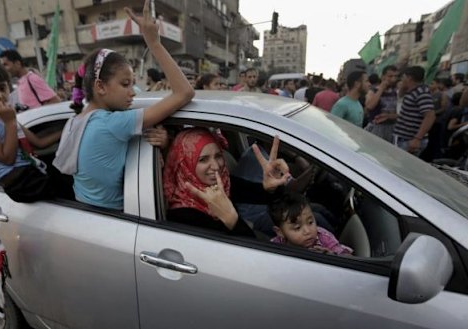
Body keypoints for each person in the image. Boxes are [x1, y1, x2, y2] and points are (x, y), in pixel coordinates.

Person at [58, 0, 195, 211]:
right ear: (100, 86)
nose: (132, 92)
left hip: (86, 214)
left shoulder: (78, 120)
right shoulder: (111, 123)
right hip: (114, 221)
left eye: (133, 84)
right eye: (125, 84)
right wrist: (154, 43)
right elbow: (185, 92)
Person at [0, 56, 70, 203]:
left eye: (2, 88)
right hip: (20, 184)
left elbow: (39, 143)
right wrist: (10, 122)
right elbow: (7, 158)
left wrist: (69, 128)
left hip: (32, 173)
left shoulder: (0, 115)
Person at [163, 128, 291, 236]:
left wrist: (272, 186)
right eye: (203, 160)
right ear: (185, 165)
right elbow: (247, 253)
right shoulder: (181, 217)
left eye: (218, 156)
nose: (216, 166)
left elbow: (260, 194)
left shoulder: (222, 184)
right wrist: (232, 220)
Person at [269, 193, 353, 255]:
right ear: (280, 232)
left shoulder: (324, 237)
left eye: (310, 222)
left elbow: (348, 257)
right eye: (297, 228)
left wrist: (332, 254)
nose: (307, 231)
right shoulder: (275, 245)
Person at [393, 66, 435, 156]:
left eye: (403, 77)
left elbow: (430, 116)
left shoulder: (421, 92)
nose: (401, 80)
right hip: (403, 139)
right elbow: (400, 96)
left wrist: (417, 139)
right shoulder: (412, 91)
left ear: (409, 78)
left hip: (409, 141)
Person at [364, 65, 398, 142]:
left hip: (391, 128)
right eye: (390, 76)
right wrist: (381, 89)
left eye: (395, 76)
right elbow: (369, 106)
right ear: (383, 77)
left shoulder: (395, 92)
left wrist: (389, 116)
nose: (393, 79)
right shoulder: (373, 91)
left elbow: (400, 113)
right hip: (376, 127)